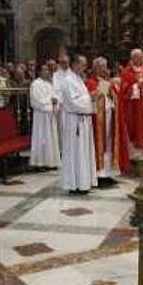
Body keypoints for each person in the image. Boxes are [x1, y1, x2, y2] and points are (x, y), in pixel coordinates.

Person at [59, 55, 97, 195]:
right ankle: (75, 184)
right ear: (74, 65)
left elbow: (83, 99)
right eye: (83, 65)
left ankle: (83, 182)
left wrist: (92, 98)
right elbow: (73, 102)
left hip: (83, 120)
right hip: (75, 121)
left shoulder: (79, 79)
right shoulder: (68, 81)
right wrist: (90, 97)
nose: (85, 68)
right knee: (76, 153)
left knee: (83, 153)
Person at [86, 57, 127, 182]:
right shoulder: (91, 82)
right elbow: (93, 97)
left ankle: (109, 172)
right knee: (100, 145)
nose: (105, 69)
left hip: (110, 116)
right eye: (102, 66)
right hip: (98, 119)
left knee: (110, 145)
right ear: (96, 68)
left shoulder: (108, 81)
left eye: (105, 66)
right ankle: (99, 174)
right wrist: (106, 87)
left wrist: (113, 88)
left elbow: (115, 96)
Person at [119, 49, 143, 154]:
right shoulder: (126, 72)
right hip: (134, 107)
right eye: (138, 57)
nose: (141, 59)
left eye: (142, 57)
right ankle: (136, 153)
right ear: (133, 58)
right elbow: (124, 89)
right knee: (137, 128)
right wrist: (136, 86)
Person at [29, 63, 61, 171]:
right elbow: (36, 100)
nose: (46, 72)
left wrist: (55, 103)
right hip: (41, 116)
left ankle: (51, 162)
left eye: (47, 70)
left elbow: (55, 97)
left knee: (51, 138)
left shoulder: (49, 84)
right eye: (44, 70)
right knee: (42, 138)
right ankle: (40, 163)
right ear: (39, 72)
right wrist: (50, 102)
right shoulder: (35, 84)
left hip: (50, 114)